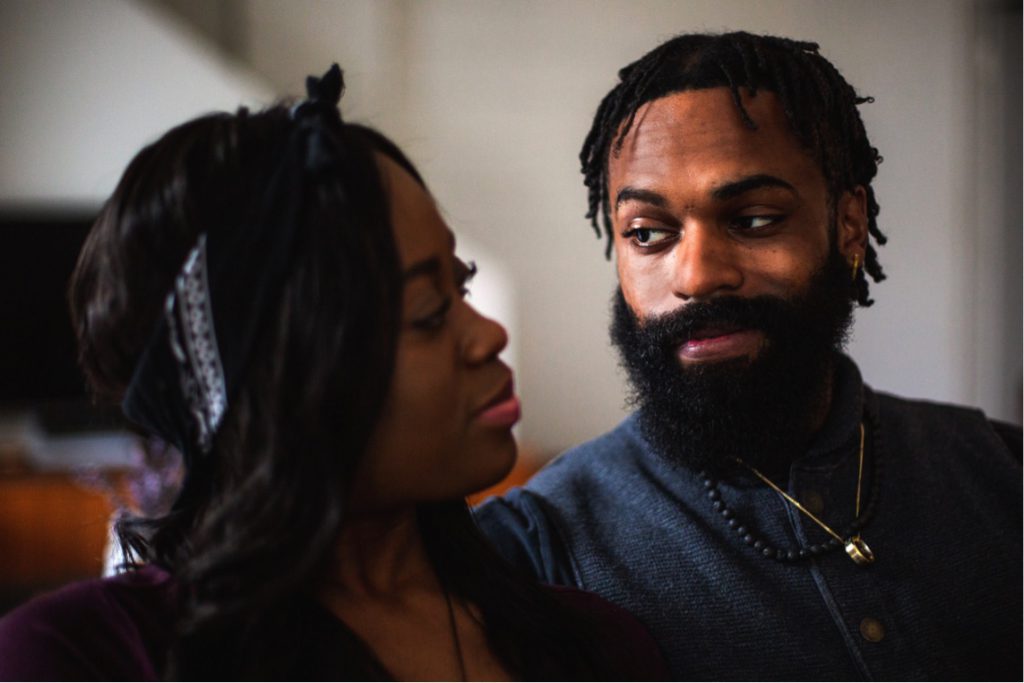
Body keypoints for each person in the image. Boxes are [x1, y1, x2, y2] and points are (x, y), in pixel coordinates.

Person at [0, 65, 667, 680]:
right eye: (431, 311)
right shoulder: (84, 656)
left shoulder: (595, 647)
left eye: (459, 288)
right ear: (274, 374)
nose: (489, 334)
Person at [475, 31, 1022, 680]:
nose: (698, 274)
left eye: (755, 219)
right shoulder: (533, 551)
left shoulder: (999, 472)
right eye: (648, 233)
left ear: (848, 224)